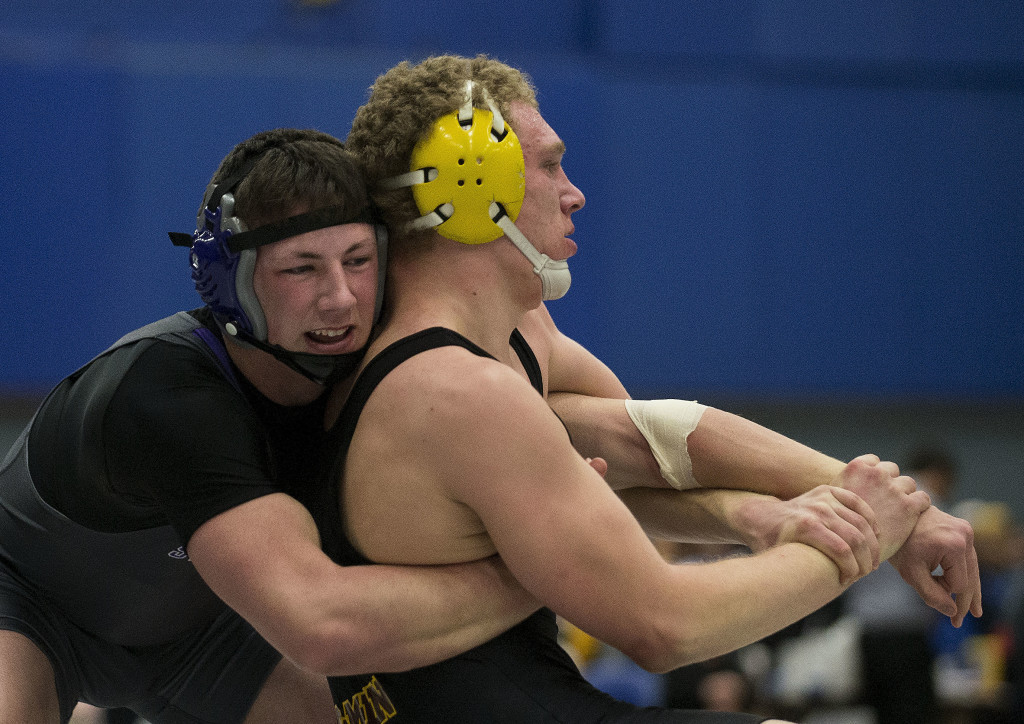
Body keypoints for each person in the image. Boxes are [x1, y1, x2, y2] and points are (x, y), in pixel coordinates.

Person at [317, 53, 932, 722]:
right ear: (470, 184)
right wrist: (865, 537)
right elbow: (665, 628)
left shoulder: (500, 342)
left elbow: (644, 446)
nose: (574, 193)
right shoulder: (463, 394)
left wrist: (766, 510)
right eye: (550, 166)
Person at [0, 128, 539, 724]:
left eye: (358, 261)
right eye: (301, 269)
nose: (340, 299)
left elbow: (551, 395)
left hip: (204, 635)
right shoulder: (167, 395)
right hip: (27, 605)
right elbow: (322, 626)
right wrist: (540, 571)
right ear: (229, 283)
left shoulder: (387, 356)